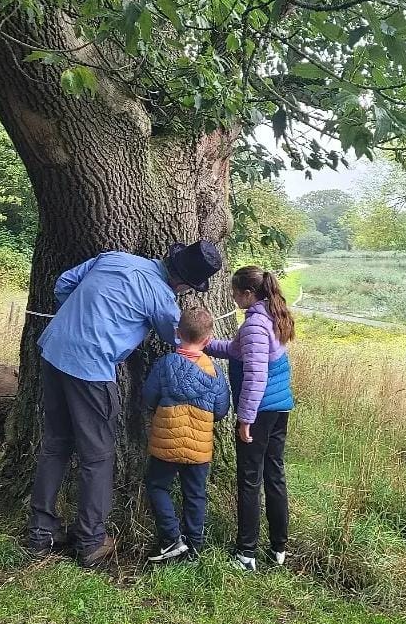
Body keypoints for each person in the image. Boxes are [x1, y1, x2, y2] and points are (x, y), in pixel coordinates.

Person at [26, 240, 222, 567]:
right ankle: (90, 542)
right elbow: (182, 341)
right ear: (184, 284)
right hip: (90, 371)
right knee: (97, 456)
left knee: (56, 446)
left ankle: (40, 532)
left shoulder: (114, 258)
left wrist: (79, 321)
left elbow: (63, 284)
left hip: (54, 349)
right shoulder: (162, 298)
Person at [206, 265, 295, 572]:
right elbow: (236, 351)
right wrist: (203, 344)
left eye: (234, 291)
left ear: (248, 293)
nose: (231, 296)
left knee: (249, 480)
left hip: (261, 412)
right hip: (278, 408)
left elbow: (256, 376)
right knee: (274, 475)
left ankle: (246, 553)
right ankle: (278, 548)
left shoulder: (256, 325)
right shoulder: (273, 315)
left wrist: (245, 420)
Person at [142, 307, 231, 563]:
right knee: (195, 494)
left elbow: (149, 398)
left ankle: (171, 538)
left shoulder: (165, 365)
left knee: (157, 485)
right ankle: (194, 548)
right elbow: (221, 410)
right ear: (208, 339)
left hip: (167, 443)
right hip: (199, 448)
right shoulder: (214, 371)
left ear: (178, 333)